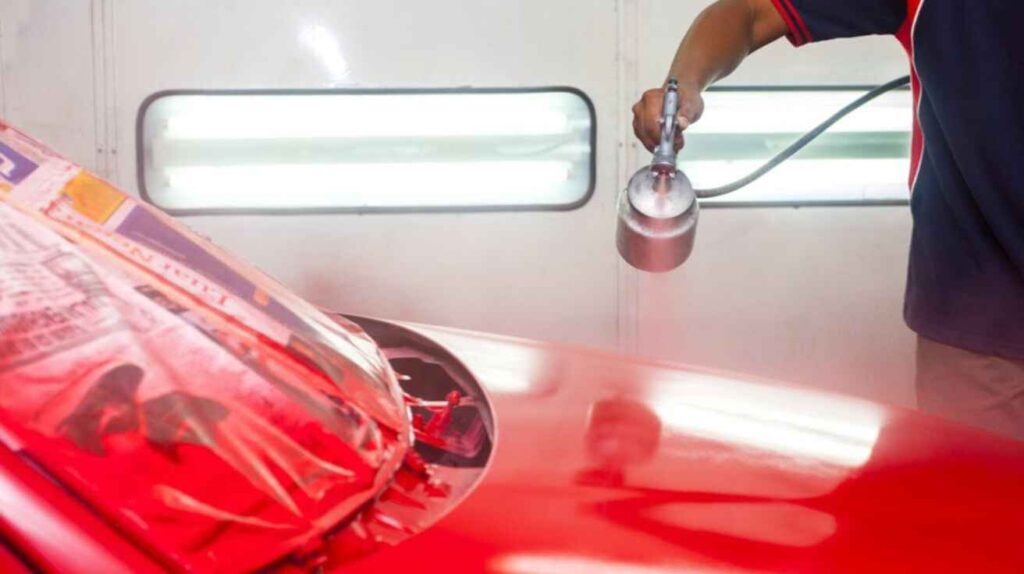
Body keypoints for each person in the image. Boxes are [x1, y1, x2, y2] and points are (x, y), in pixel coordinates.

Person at [633, 0, 1024, 440]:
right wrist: (682, 86)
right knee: (976, 502)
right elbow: (750, 11)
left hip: (973, 314)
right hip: (978, 328)